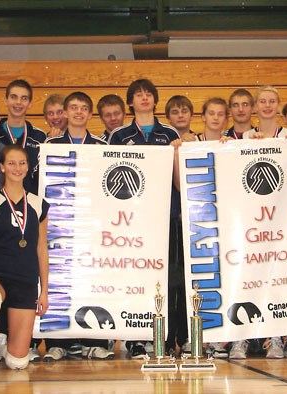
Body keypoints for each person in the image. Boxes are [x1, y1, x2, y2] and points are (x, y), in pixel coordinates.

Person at [108, 79, 181, 359]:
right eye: (138, 95)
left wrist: (176, 154)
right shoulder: (118, 135)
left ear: (155, 99)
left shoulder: (169, 133)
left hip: (166, 218)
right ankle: (136, 339)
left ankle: (167, 338)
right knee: (135, 277)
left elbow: (179, 183)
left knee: (168, 280)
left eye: (149, 94)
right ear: (130, 102)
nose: (144, 98)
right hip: (134, 221)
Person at [40, 92, 114, 361]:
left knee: (93, 278)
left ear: (90, 114)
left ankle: (93, 340)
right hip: (61, 223)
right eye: (74, 108)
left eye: (84, 108)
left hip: (92, 223)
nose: (79, 112)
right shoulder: (51, 143)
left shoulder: (101, 144)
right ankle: (58, 342)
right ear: (66, 112)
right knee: (60, 278)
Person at [0, 145, 50, 377]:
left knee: (17, 363)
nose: (17, 168)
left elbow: (41, 249)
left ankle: (1, 346)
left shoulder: (38, 204)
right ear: (2, 167)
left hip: (25, 279)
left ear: (28, 167)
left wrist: (43, 291)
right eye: (12, 163)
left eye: (22, 163)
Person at [0, 80, 47, 193]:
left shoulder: (39, 137)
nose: (18, 102)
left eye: (24, 98)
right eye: (14, 97)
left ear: (30, 104)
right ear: (5, 100)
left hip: (31, 203)